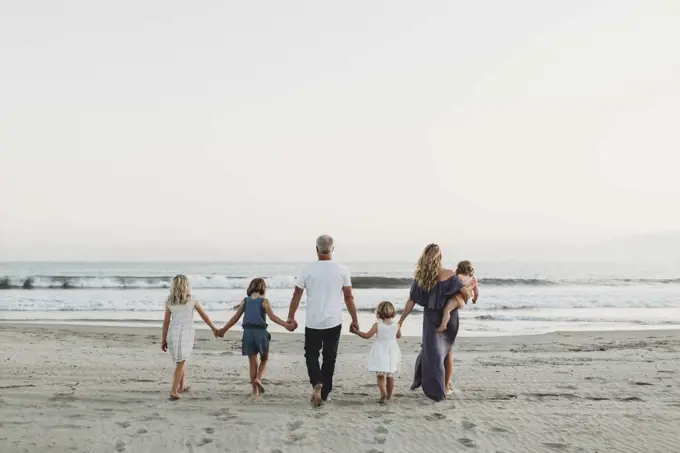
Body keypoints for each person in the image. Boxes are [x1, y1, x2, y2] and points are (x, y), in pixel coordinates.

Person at [286, 234, 360, 407]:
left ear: (317, 249)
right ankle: (325, 392)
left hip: (313, 321)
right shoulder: (342, 269)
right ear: (332, 249)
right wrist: (355, 319)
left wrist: (291, 316)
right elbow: (349, 297)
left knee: (311, 354)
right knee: (330, 356)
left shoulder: (307, 269)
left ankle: (317, 382)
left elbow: (297, 294)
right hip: (333, 321)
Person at [396, 244, 471, 401]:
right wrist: (457, 300)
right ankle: (444, 386)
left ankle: (441, 387)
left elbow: (411, 301)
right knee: (445, 352)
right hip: (450, 318)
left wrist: (401, 321)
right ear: (440, 258)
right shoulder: (450, 275)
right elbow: (466, 294)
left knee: (433, 352)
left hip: (431, 319)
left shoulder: (421, 279)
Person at [216, 278, 293, 399]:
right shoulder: (264, 301)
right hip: (261, 333)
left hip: (247, 334)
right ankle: (258, 378)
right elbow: (272, 317)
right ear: (263, 289)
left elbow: (235, 318)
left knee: (252, 362)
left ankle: (255, 391)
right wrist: (286, 325)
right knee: (264, 359)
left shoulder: (245, 301)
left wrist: (223, 330)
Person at [161, 274, 219, 400]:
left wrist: (163, 339)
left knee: (181, 360)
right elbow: (204, 315)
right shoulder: (192, 299)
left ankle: (181, 387)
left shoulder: (169, 301)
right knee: (181, 362)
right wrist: (213, 328)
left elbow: (166, 322)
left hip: (173, 333)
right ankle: (173, 390)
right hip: (186, 333)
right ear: (186, 286)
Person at [350, 301, 401, 404]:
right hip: (392, 350)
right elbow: (398, 336)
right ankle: (389, 396)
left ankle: (383, 394)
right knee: (390, 375)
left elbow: (367, 336)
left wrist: (356, 332)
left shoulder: (378, 325)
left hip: (380, 350)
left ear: (379, 312)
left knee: (380, 375)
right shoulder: (397, 325)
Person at [436, 260, 479, 333]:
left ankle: (443, 325)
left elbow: (455, 287)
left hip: (456, 299)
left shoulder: (459, 277)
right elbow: (476, 293)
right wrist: (474, 300)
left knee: (447, 310)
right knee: (452, 311)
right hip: (463, 302)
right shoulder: (474, 279)